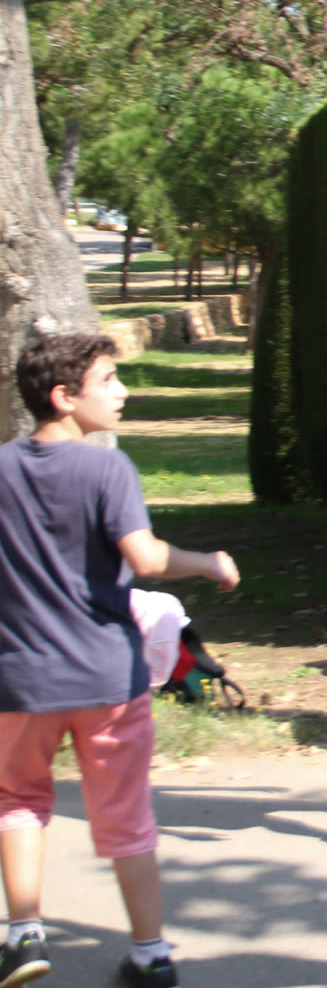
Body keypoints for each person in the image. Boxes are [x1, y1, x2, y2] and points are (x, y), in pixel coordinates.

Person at [0, 332, 240, 988]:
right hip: (107, 676)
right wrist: (209, 562)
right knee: (126, 814)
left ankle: (23, 936)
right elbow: (146, 557)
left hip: (21, 677)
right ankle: (150, 952)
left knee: (17, 800)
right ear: (63, 396)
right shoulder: (108, 469)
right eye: (108, 380)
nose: (123, 390)